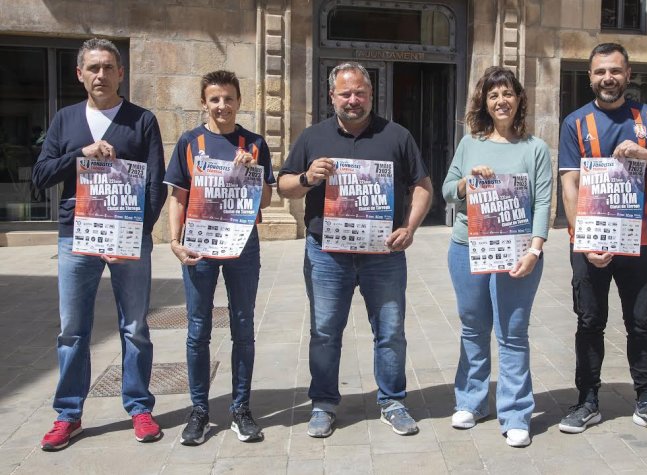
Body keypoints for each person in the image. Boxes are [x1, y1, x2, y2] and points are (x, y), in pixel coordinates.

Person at [278, 62, 433, 438]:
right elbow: (282, 186)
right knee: (326, 331)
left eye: (360, 92)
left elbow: (423, 185)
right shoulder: (313, 137)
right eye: (345, 93)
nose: (353, 99)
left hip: (384, 254)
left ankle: (392, 401)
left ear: (371, 95)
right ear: (332, 96)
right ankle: (324, 403)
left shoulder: (396, 136)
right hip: (327, 253)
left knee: (390, 330)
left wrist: (409, 229)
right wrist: (306, 178)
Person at [32, 38, 166, 450]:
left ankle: (139, 407)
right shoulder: (66, 120)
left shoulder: (141, 120)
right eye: (93, 68)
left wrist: (132, 234)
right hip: (77, 237)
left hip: (127, 239)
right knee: (73, 329)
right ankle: (68, 414)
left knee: (135, 326)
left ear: (121, 72)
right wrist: (81, 153)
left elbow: (155, 185)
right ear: (80, 74)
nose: (101, 75)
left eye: (109, 67)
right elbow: (41, 176)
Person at [558, 43, 647, 439]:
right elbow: (569, 184)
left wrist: (645, 154)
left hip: (639, 242)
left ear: (628, 75)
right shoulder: (575, 122)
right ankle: (587, 401)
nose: (607, 78)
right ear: (590, 76)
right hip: (591, 244)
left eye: (615, 71)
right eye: (599, 72)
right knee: (589, 322)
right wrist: (582, 240)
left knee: (642, 323)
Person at [442, 66, 551, 448]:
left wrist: (535, 250)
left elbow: (542, 204)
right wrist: (466, 181)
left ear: (519, 99)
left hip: (517, 253)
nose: (501, 101)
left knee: (512, 333)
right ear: (484, 103)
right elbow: (446, 191)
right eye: (493, 95)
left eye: (507, 93)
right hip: (467, 247)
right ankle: (471, 402)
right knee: (473, 327)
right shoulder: (470, 143)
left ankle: (516, 411)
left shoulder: (535, 148)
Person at [165, 70, 275, 446]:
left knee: (243, 327)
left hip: (243, 246)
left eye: (228, 98)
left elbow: (267, 202)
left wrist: (252, 173)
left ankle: (241, 409)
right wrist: (174, 240)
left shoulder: (255, 144)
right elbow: (178, 195)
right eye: (214, 99)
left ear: (239, 101)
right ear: (204, 102)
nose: (222, 106)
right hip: (200, 246)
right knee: (198, 329)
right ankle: (198, 410)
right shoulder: (190, 142)